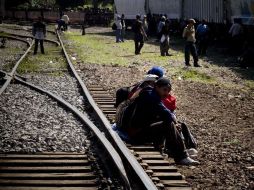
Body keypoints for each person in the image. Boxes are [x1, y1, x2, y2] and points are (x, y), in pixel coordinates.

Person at [116, 78, 199, 165]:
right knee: (168, 124)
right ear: (156, 87)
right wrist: (175, 123)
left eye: (168, 91)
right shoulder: (150, 95)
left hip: (136, 131)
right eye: (164, 90)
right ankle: (182, 157)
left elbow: (163, 113)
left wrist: (173, 121)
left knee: (164, 121)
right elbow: (165, 112)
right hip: (134, 134)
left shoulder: (150, 93)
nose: (166, 93)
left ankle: (161, 150)